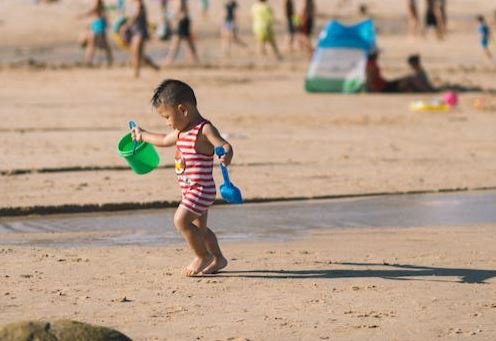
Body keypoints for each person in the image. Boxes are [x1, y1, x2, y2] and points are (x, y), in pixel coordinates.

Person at [130, 79, 232, 276]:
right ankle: (218, 258)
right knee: (200, 230)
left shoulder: (204, 129)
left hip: (201, 189)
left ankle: (202, 256)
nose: (167, 123)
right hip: (190, 190)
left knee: (180, 220)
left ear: (183, 110)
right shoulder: (180, 131)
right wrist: (142, 135)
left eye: (167, 117)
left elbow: (224, 144)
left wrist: (226, 153)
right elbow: (162, 139)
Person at [122, 0, 159, 77]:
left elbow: (136, 16)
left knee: (136, 53)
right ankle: (154, 66)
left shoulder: (139, 4)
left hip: (140, 32)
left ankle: (136, 73)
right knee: (139, 54)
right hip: (134, 31)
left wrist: (126, 26)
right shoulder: (133, 4)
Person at [78, 0, 113, 67]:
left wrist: (82, 15)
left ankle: (88, 61)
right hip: (98, 27)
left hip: (98, 26)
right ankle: (109, 61)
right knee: (97, 46)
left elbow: (95, 10)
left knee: (93, 46)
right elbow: (96, 10)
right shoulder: (100, 7)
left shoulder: (98, 5)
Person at [165, 0, 199, 64]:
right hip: (184, 21)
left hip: (182, 22)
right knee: (188, 42)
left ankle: (169, 59)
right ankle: (195, 59)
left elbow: (178, 10)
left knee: (176, 41)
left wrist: (172, 19)